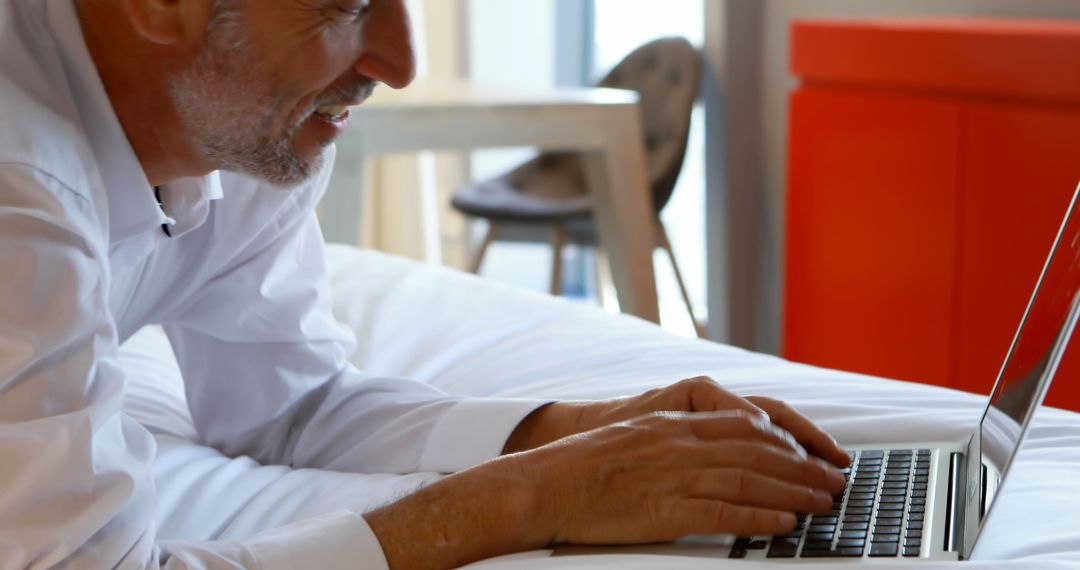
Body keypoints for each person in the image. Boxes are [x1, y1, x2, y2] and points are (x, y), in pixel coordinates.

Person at [0, 0, 850, 568]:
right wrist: (528, 498)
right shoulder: (19, 186)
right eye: (348, 3)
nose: (401, 62)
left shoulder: (240, 129)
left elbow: (291, 406)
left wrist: (591, 433)